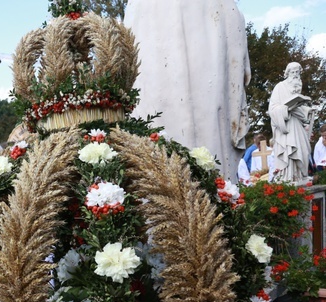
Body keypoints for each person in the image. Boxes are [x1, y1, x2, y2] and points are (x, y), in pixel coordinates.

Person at [124, 0, 250, 180]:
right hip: (154, 29)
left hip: (206, 27)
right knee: (155, 109)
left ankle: (216, 190)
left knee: (209, 112)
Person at [269, 62, 314, 183]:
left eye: (297, 72)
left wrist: (307, 111)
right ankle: (288, 177)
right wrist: (286, 109)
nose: (295, 75)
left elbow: (299, 109)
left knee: (303, 150)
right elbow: (272, 109)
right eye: (292, 72)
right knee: (289, 150)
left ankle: (299, 175)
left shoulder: (297, 88)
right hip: (286, 125)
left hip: (297, 124)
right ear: (287, 73)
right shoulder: (280, 87)